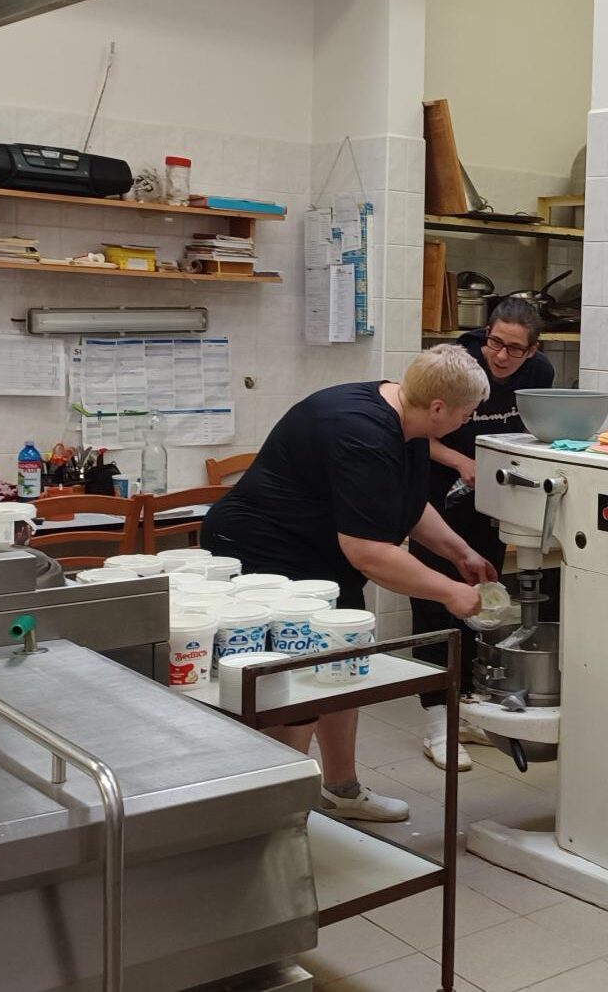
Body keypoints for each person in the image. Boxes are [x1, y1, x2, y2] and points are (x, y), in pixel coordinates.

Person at [204, 345, 498, 822]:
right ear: (438, 407)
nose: (467, 421)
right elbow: (369, 554)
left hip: (320, 552)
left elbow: (407, 504)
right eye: (466, 413)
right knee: (293, 687)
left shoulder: (409, 418)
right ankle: (281, 812)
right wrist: (451, 592)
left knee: (342, 667)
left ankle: (340, 789)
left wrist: (460, 553)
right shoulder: (363, 433)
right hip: (264, 548)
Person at [409, 298, 555, 769]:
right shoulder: (459, 365)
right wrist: (460, 461)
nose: (502, 356)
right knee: (434, 606)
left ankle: (464, 708)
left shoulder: (539, 374)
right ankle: (437, 722)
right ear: (485, 333)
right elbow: (415, 430)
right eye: (495, 342)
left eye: (515, 349)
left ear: (533, 350)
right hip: (435, 500)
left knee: (480, 601)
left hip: (489, 500)